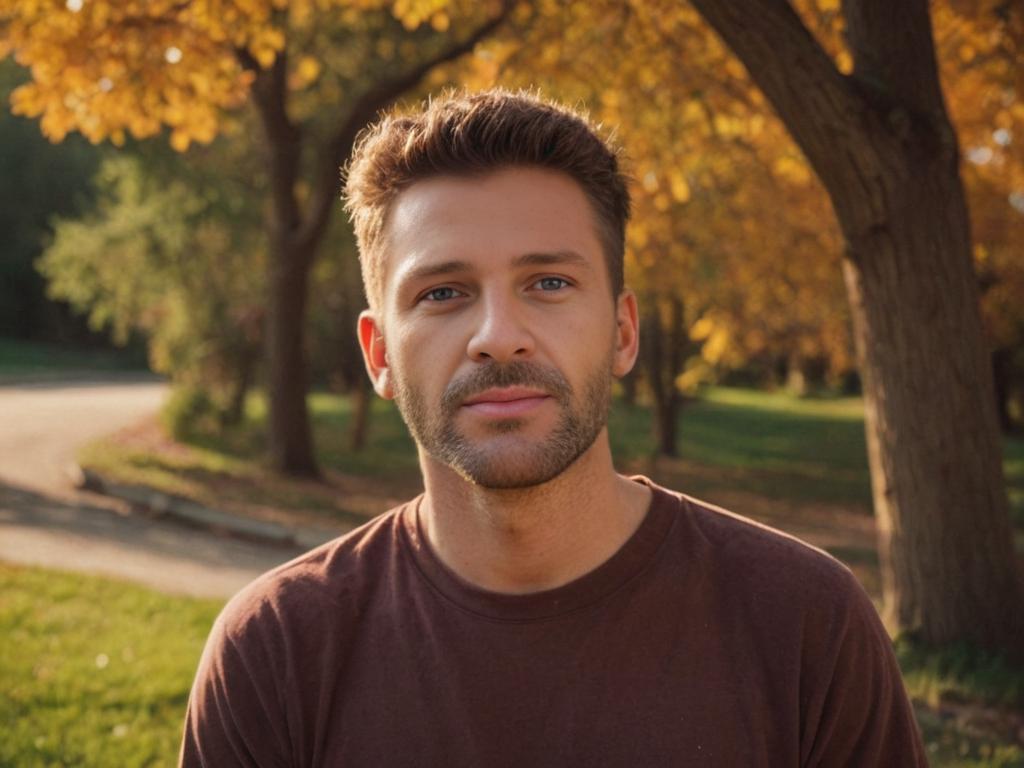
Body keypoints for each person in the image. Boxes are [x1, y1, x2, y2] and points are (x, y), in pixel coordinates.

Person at [180, 89, 928, 767]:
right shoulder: (273, 651)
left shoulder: (806, 626)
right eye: (443, 292)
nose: (499, 336)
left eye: (549, 284)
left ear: (623, 331)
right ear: (378, 353)